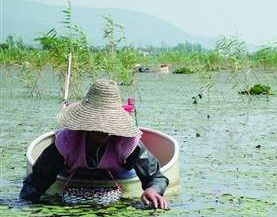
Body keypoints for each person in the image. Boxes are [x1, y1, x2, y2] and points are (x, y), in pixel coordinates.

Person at [20, 79, 169, 209]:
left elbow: (156, 177)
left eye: (110, 124)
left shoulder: (126, 142)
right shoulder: (68, 141)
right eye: (99, 124)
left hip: (120, 180)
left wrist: (153, 190)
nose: (105, 130)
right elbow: (34, 184)